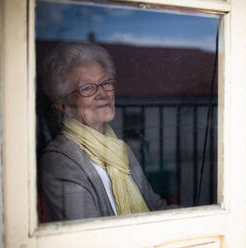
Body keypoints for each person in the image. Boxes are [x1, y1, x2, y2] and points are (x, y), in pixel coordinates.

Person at [39, 42, 168, 222]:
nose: (102, 94)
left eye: (106, 83)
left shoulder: (118, 148)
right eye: (87, 88)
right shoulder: (60, 161)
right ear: (63, 106)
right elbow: (89, 236)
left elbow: (154, 206)